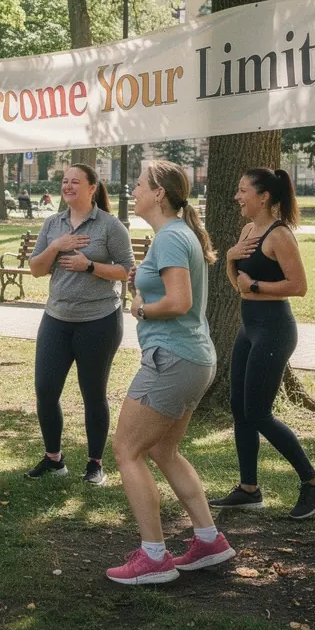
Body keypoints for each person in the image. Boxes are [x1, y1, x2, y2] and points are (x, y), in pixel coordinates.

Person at [106, 160, 235, 585]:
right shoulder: (175, 234)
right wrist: (141, 286)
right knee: (162, 450)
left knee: (127, 449)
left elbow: (178, 302)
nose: (135, 190)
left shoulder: (172, 238)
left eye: (140, 185)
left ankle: (154, 557)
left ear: (159, 192)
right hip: (192, 358)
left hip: (174, 359)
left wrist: (140, 307)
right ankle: (208, 540)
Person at [210, 168, 315, 520]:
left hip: (275, 330)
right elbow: (238, 284)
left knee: (258, 412)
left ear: (263, 196)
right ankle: (249, 489)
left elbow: (299, 287)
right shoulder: (249, 230)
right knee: (239, 406)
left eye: (243, 190)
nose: (237, 196)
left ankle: (314, 482)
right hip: (249, 327)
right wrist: (232, 257)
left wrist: (256, 287)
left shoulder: (280, 236)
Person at [26, 164, 134, 486]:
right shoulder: (53, 223)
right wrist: (56, 247)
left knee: (93, 393)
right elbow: (35, 269)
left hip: (98, 321)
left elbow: (127, 270)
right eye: (64, 181)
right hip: (56, 319)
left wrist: (89, 266)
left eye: (75, 182)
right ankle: (54, 459)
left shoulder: (110, 226)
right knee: (46, 391)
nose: (68, 186)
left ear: (92, 188)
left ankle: (95, 464)